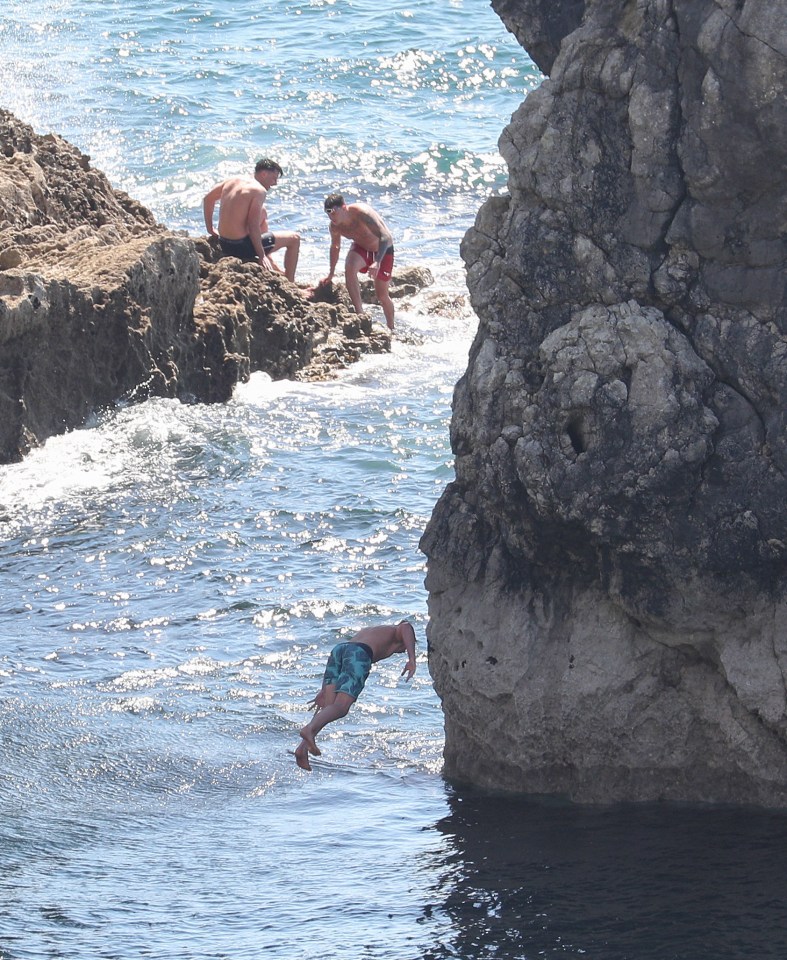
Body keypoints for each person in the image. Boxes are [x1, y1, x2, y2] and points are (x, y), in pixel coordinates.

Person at [295, 620, 417, 771]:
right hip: (359, 654)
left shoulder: (374, 630)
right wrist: (412, 658)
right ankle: (309, 729)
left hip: (340, 650)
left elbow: (348, 651)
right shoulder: (397, 631)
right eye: (405, 648)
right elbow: (406, 626)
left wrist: (323, 690)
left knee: (329, 707)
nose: (402, 651)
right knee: (341, 707)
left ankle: (302, 749)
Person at [202, 158, 300, 281]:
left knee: (262, 212)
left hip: (224, 243)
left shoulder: (233, 180)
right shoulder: (259, 191)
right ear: (264, 174)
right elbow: (252, 225)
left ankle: (271, 262)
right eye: (274, 178)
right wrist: (261, 255)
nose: (275, 183)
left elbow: (207, 199)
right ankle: (291, 282)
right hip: (241, 247)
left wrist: (210, 229)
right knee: (294, 239)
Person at [319, 193, 396, 330]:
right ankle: (360, 315)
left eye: (333, 212)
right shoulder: (335, 227)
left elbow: (385, 236)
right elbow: (335, 247)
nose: (331, 217)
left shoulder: (362, 213)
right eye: (328, 213)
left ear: (344, 207)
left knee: (382, 295)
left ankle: (391, 327)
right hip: (362, 248)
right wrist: (331, 273)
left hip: (383, 250)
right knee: (350, 267)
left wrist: (377, 262)